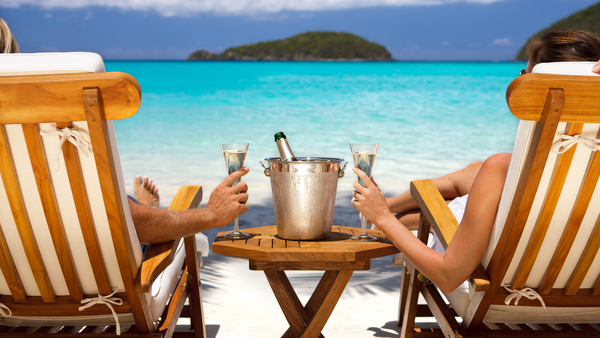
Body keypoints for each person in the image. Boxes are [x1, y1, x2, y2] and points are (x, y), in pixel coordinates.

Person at [352, 29, 600, 293]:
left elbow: (449, 276)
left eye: (524, 76)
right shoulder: (580, 178)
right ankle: (393, 207)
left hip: (498, 284)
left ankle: (388, 211)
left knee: (491, 169)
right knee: (477, 171)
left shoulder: (502, 169)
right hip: (582, 286)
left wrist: (382, 219)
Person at [0, 18, 249, 244]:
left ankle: (138, 204)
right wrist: (211, 213)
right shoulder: (37, 138)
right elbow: (131, 224)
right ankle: (140, 206)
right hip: (93, 285)